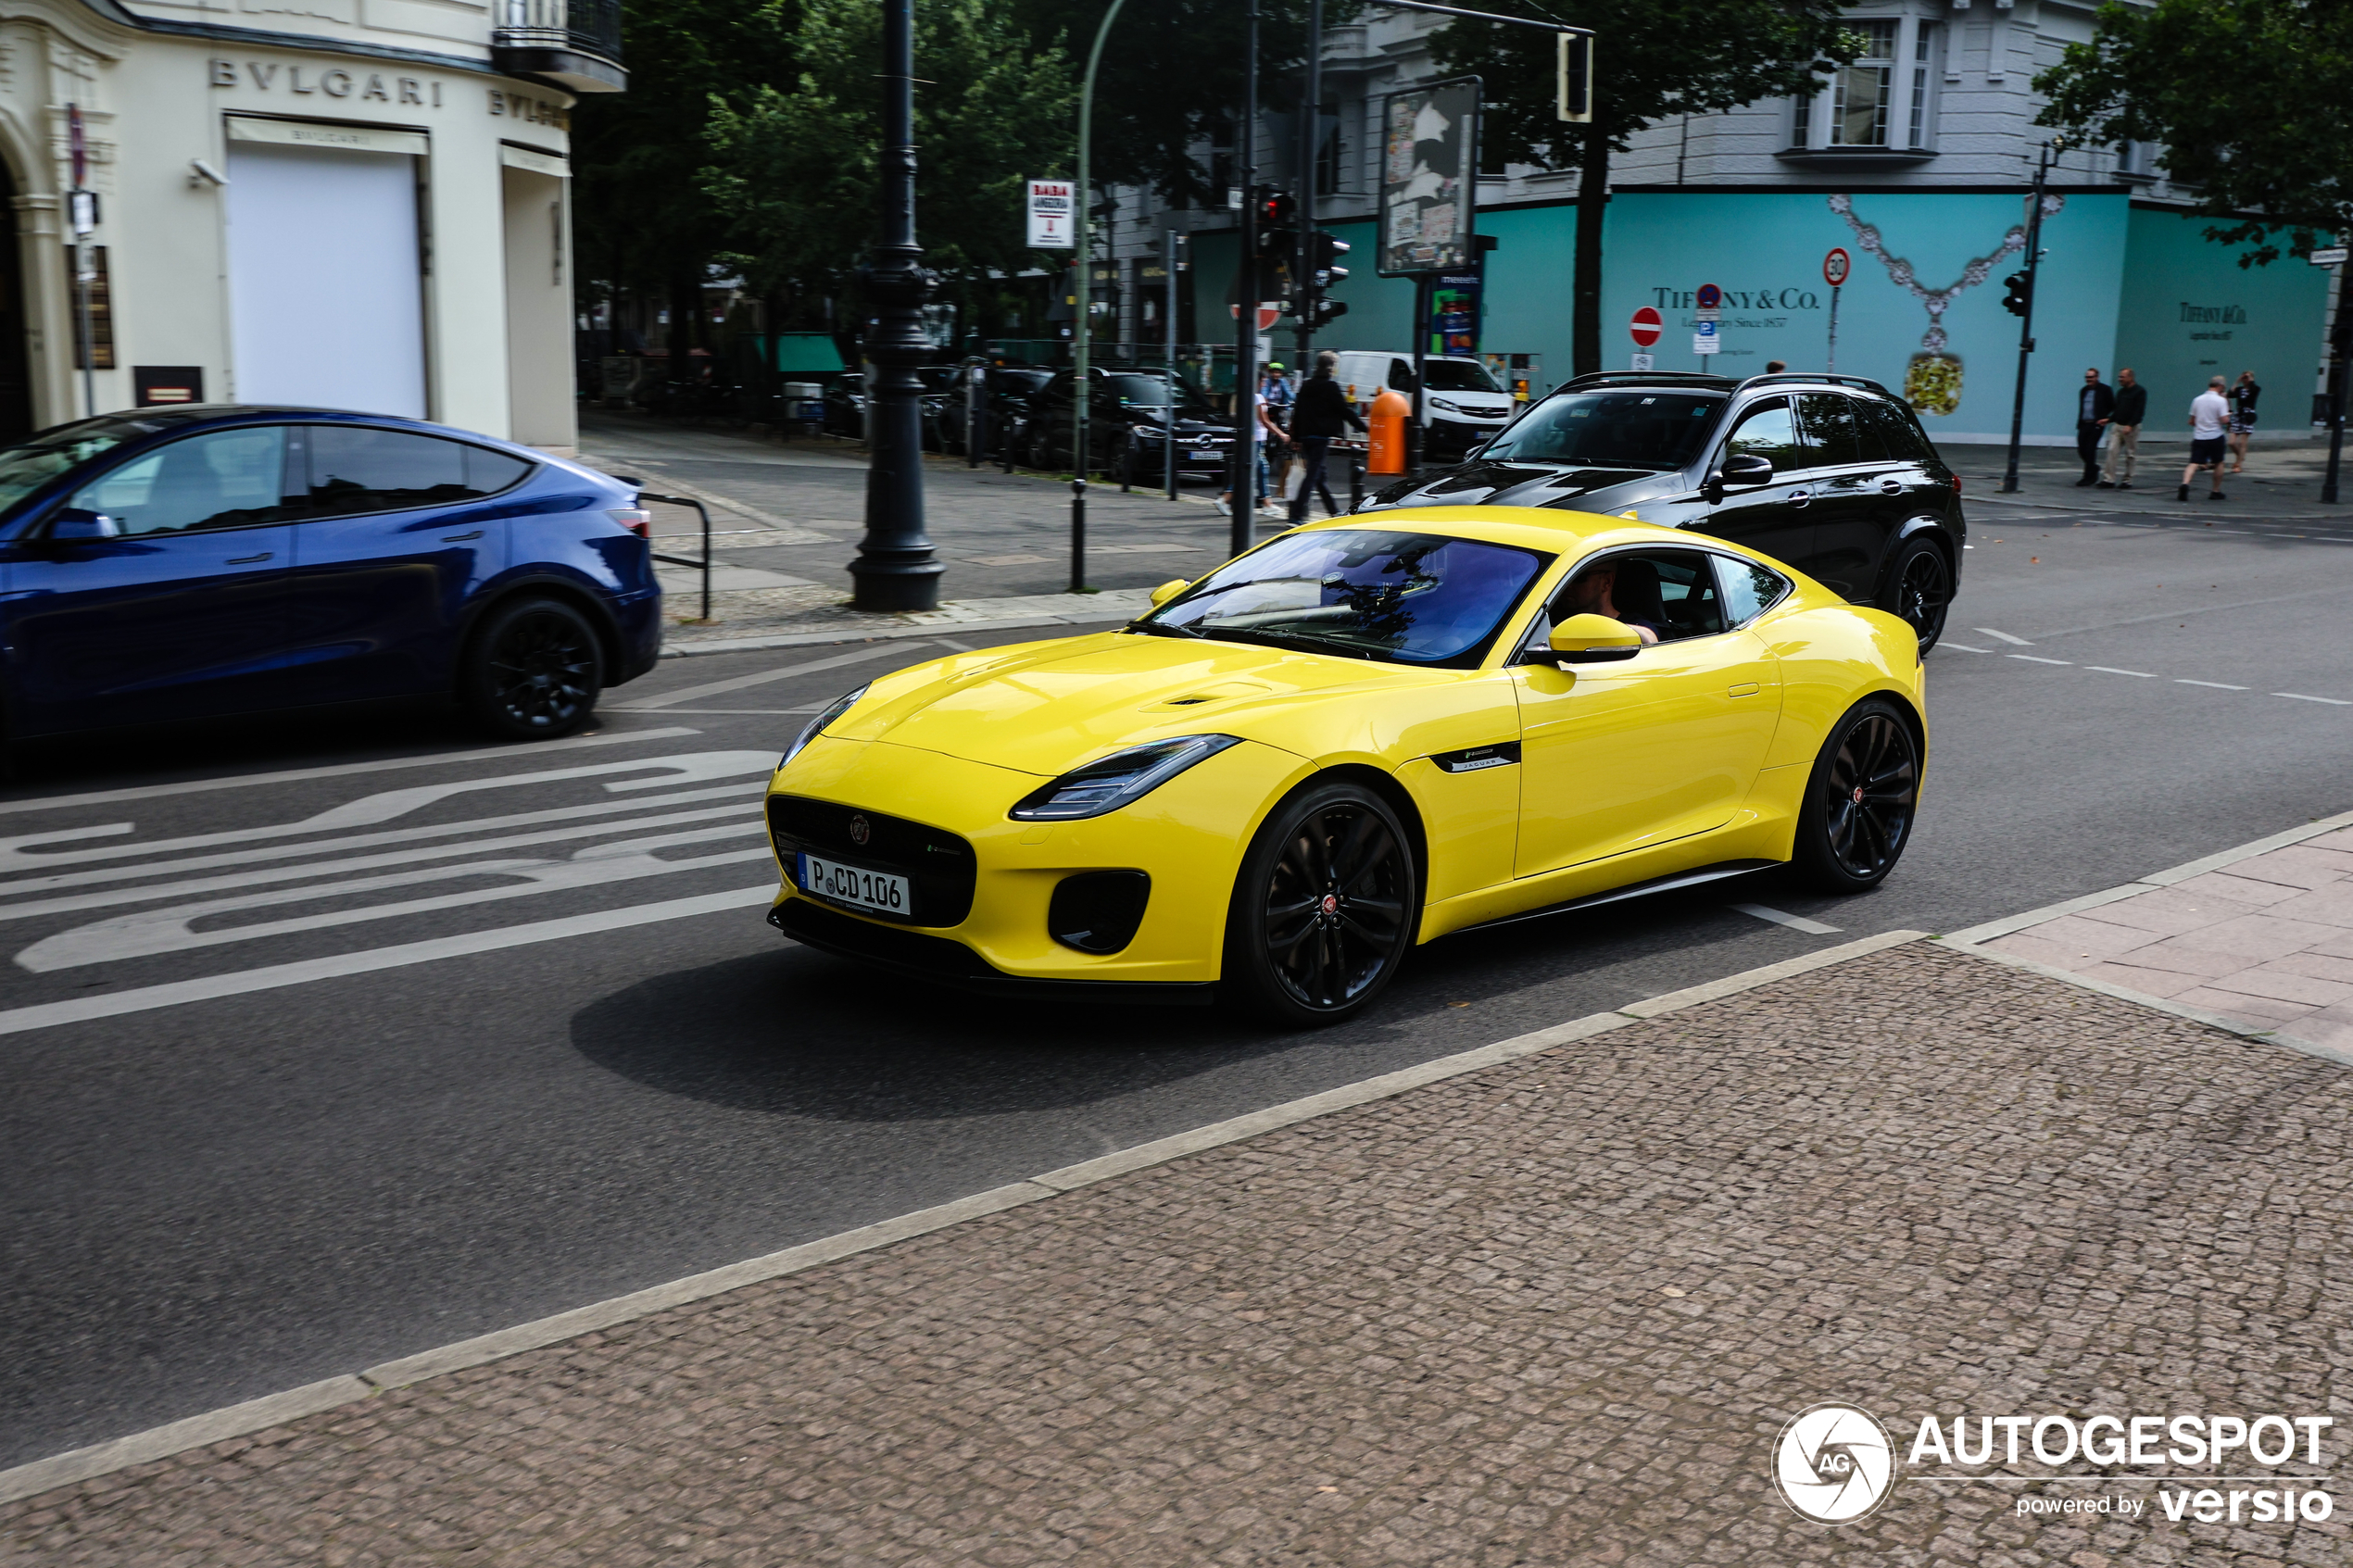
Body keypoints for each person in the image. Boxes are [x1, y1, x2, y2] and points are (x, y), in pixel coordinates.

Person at [1288, 351, 1368, 523]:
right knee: (1311, 477)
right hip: (1320, 437)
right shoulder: (1331, 386)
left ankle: (1333, 510)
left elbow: (1298, 410)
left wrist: (1295, 436)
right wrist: (1365, 428)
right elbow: (1345, 411)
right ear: (1331, 368)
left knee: (1319, 476)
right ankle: (1295, 515)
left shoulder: (1306, 385)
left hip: (1306, 436)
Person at [1215, 375, 1290, 520]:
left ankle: (1267, 504)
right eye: (1262, 381)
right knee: (1246, 471)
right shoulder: (1257, 398)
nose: (1264, 384)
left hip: (1251, 438)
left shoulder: (1242, 396)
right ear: (1257, 382)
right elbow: (1265, 421)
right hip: (1255, 439)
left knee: (1263, 469)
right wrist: (1282, 434)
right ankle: (1225, 499)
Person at [1555, 559, 1660, 645]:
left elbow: (1649, 639)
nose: (1567, 585)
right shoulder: (1544, 616)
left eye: (1579, 577)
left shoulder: (1637, 623)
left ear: (1607, 581)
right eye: (1564, 578)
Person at [2181, 376, 2231, 501]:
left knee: (2193, 463)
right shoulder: (2221, 401)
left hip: (2199, 437)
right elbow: (2225, 420)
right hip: (2215, 436)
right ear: (2221, 386)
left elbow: (2192, 421)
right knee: (2219, 462)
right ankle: (2215, 491)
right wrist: (2228, 413)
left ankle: (2185, 484)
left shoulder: (2197, 400)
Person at [2098, 367, 2145, 488]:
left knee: (2130, 454)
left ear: (2131, 377)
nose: (2120, 379)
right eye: (2119, 377)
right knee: (2111, 451)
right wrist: (2109, 420)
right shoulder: (2121, 392)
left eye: (2122, 377)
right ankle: (2109, 479)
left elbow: (2139, 411)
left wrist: (2130, 425)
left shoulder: (2140, 392)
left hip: (2132, 428)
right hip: (2118, 426)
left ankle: (2127, 480)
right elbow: (2118, 410)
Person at [2074, 367, 2115, 486]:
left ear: (2097, 377)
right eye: (2087, 377)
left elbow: (2112, 405)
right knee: (2082, 449)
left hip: (2096, 424)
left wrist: (2104, 417)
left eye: (2091, 377)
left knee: (2091, 449)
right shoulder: (2084, 391)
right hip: (2084, 423)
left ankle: (2088, 477)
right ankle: (2093, 467)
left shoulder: (2105, 390)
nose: (2089, 379)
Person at [2227, 370, 2261, 474]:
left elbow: (2254, 390)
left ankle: (2238, 464)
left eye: (2247, 377)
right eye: (2244, 377)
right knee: (2231, 442)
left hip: (2248, 415)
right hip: (2238, 415)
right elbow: (2230, 394)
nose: (2245, 379)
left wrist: (2251, 380)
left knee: (2243, 442)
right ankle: (2240, 457)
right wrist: (2237, 381)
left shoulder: (2255, 389)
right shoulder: (2240, 389)